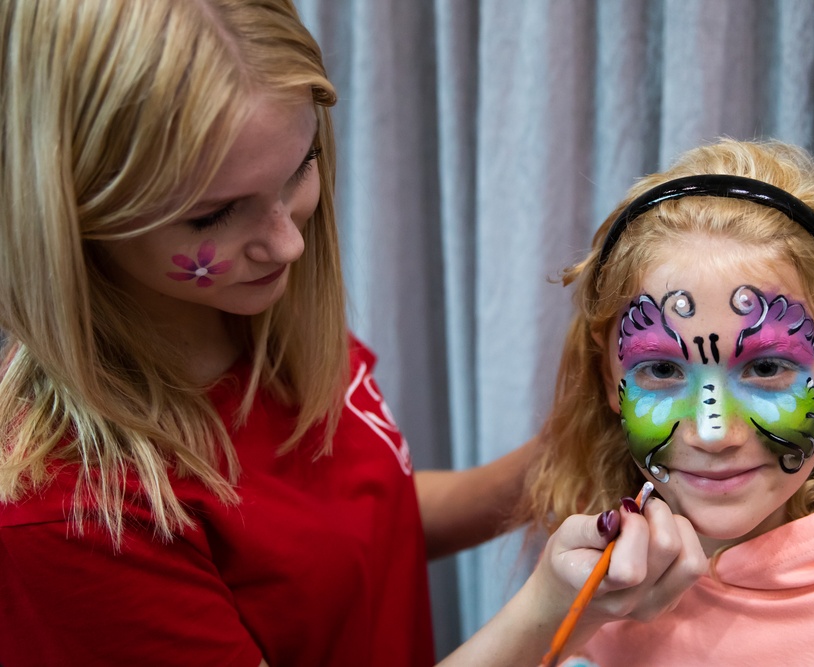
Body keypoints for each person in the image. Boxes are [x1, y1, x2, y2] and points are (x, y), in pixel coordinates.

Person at [0, 1, 707, 665]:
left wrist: (578, 445)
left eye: (299, 169)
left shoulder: (247, 309)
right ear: (68, 208)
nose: (287, 244)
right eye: (213, 216)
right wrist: (556, 610)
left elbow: (346, 529)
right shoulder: (68, 519)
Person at [519, 139, 814, 665]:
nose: (712, 432)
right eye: (661, 369)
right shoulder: (587, 587)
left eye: (767, 368)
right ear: (610, 376)